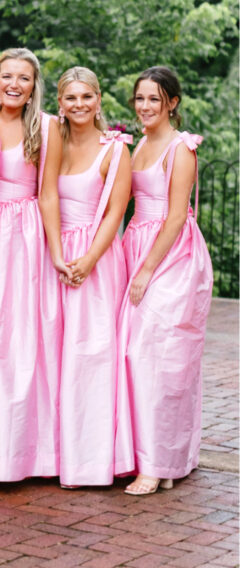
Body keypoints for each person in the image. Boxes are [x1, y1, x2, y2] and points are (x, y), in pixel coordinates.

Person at [115, 67, 212, 496]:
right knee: (132, 355)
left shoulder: (181, 149)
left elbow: (176, 216)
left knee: (159, 356)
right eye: (140, 99)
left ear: (171, 102)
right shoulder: (134, 148)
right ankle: (153, 458)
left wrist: (148, 270)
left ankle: (159, 464)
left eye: (154, 99)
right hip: (136, 243)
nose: (145, 107)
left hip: (171, 254)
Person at [40, 67, 132, 487]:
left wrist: (89, 259)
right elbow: (47, 196)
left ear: (99, 99)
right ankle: (58, 455)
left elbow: (116, 211)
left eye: (86, 97)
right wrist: (59, 254)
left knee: (92, 356)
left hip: (96, 259)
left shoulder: (115, 151)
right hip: (56, 257)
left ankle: (92, 460)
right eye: (70, 98)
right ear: (60, 102)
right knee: (54, 356)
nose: (78, 105)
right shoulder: (52, 141)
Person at [0, 47, 62, 481]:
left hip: (24, 235)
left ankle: (28, 452)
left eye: (24, 78)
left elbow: (48, 193)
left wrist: (53, 250)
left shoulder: (47, 128)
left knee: (22, 338)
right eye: (7, 76)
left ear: (34, 86)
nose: (14, 84)